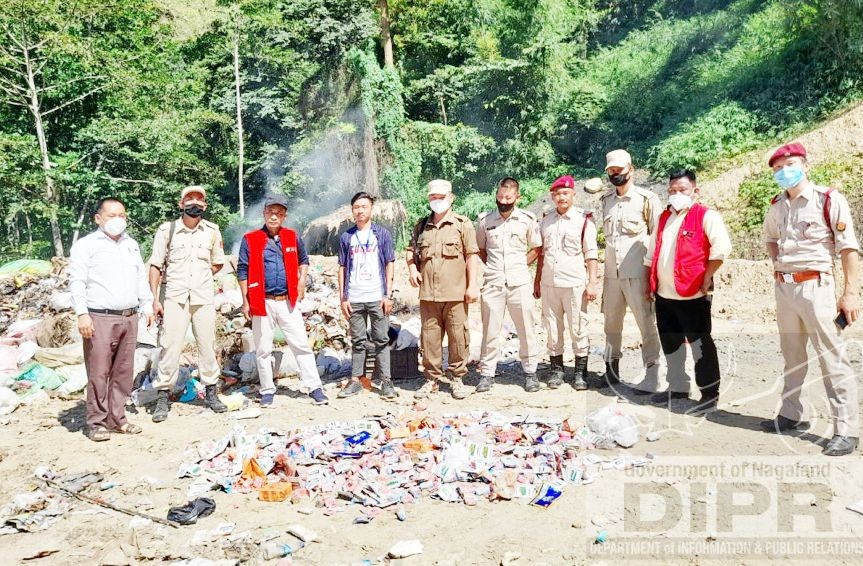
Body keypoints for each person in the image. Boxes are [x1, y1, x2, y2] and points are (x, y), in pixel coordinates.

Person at [760, 142, 859, 456]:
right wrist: (779, 265)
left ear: (805, 163)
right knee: (792, 354)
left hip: (817, 286)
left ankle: (846, 429)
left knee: (831, 357)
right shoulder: (777, 205)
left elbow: (848, 249)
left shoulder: (828, 200)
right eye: (777, 168)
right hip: (785, 288)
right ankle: (791, 412)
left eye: (788, 164)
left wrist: (850, 293)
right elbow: (771, 239)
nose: (783, 171)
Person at [645, 170, 731, 416]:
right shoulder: (664, 218)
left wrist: (707, 277)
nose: (676, 194)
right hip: (664, 294)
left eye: (682, 190)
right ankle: (678, 387)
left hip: (692, 295)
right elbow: (651, 254)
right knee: (671, 343)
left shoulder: (706, 216)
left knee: (700, 344)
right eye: (672, 190)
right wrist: (647, 284)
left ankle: (709, 393)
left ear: (695, 191)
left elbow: (721, 248)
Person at [69, 197, 154, 441]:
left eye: (122, 216)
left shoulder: (131, 244)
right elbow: (77, 281)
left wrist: (147, 306)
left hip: (129, 316)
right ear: (98, 218)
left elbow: (140, 277)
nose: (117, 220)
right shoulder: (87, 245)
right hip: (99, 317)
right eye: (111, 215)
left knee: (123, 371)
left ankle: (118, 418)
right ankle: (96, 422)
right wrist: (82, 313)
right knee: (98, 371)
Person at [237, 194, 328, 406]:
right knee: (263, 349)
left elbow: (304, 260)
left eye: (279, 212)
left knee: (301, 345)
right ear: (264, 213)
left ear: (284, 216)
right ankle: (267, 390)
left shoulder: (292, 237)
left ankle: (314, 387)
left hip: (288, 301)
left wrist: (302, 280)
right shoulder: (250, 239)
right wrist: (245, 300)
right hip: (262, 301)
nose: (274, 216)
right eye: (270, 211)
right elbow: (242, 270)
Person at [147, 185, 227, 422]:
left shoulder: (212, 231)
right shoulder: (167, 230)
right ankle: (162, 397)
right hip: (174, 297)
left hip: (203, 298)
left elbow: (218, 263)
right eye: (189, 199)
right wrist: (154, 299)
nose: (195, 203)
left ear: (205, 205)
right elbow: (155, 265)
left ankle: (211, 393)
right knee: (170, 347)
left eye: (199, 200)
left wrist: (200, 277)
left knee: (207, 345)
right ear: (181, 204)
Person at [406, 179, 480, 400]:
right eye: (433, 197)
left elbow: (472, 256)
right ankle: (431, 380)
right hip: (428, 294)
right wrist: (411, 269)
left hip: (456, 293)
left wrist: (473, 285)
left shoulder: (462, 224)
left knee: (458, 337)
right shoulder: (421, 226)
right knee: (429, 339)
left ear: (451, 197)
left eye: (441, 197)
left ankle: (457, 378)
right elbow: (410, 251)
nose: (437, 201)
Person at [600, 149, 662, 392]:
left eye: (620, 170)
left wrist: (653, 274)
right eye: (611, 171)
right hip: (611, 275)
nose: (616, 174)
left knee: (646, 323)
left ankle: (652, 372)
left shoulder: (646, 200)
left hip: (638, 273)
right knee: (611, 323)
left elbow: (657, 237)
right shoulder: (606, 201)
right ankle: (611, 370)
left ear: (631, 169)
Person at [476, 177, 542, 392]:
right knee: (490, 330)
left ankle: (530, 372)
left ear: (517, 197)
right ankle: (486, 374)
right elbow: (481, 249)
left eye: (509, 197)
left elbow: (536, 248)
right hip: (493, 282)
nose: (504, 200)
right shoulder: (485, 221)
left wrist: (520, 265)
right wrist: (496, 268)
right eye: (501, 196)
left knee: (526, 328)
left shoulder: (527, 219)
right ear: (496, 195)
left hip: (519, 282)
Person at [533, 175, 599, 390]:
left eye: (565, 193)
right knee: (552, 328)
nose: (561, 197)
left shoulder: (583, 220)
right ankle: (556, 370)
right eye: (557, 194)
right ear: (552, 197)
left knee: (578, 327)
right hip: (549, 283)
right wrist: (537, 281)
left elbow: (591, 255)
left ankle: (580, 373)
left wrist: (592, 283)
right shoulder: (546, 220)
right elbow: (541, 254)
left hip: (574, 283)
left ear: (573, 195)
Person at [337, 191, 397, 399]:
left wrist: (388, 294)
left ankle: (386, 382)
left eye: (364, 207)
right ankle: (356, 380)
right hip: (354, 296)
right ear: (352, 211)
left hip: (376, 296)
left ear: (371, 209)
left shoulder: (382, 234)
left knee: (381, 339)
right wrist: (343, 298)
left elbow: (389, 263)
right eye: (356, 207)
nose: (360, 211)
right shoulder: (347, 236)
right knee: (358, 340)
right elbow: (342, 267)